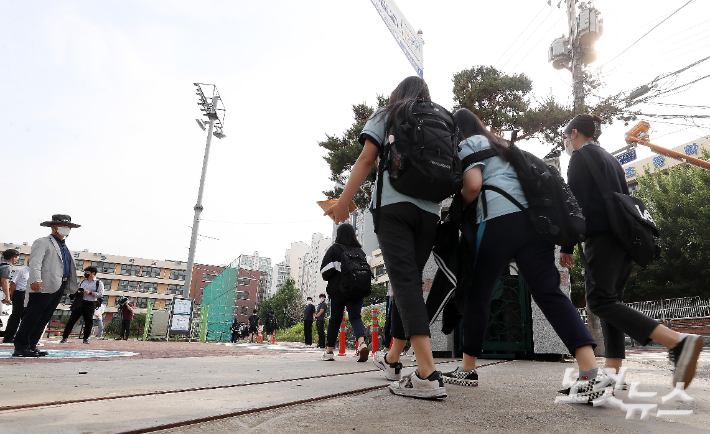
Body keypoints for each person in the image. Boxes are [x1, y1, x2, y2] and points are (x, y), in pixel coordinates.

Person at [441, 109, 605, 399]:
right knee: (549, 294)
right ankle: (591, 373)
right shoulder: (503, 145)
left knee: (477, 292)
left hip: (498, 223)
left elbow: (474, 185)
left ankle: (467, 369)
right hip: (535, 225)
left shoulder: (470, 144)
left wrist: (460, 206)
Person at [560, 113, 703, 389]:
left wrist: (567, 245)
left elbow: (575, 207)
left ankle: (677, 342)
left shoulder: (580, 158)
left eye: (566, 137)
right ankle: (613, 373)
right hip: (625, 237)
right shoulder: (610, 159)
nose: (566, 143)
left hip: (602, 238)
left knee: (601, 301)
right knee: (611, 303)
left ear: (574, 133)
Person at [324, 76, 446, 399]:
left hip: (393, 209)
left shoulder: (389, 113)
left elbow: (366, 159)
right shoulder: (441, 118)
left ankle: (427, 374)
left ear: (398, 94)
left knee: (405, 286)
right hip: (430, 213)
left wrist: (340, 206)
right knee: (409, 285)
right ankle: (393, 360)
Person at [13, 214, 81, 357]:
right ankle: (21, 346)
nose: (67, 229)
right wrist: (35, 279)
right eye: (63, 226)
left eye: (68, 226)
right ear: (53, 226)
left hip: (59, 285)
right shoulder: (43, 242)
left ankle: (31, 345)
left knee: (44, 317)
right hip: (43, 285)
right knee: (33, 315)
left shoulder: (64, 246)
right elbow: (35, 262)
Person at [320, 224, 370, 362]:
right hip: (357, 290)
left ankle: (329, 351)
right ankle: (362, 344)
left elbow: (324, 272)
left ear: (339, 234)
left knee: (335, 319)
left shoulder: (334, 249)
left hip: (338, 291)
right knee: (355, 317)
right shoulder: (360, 252)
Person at [60, 265, 104, 344]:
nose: (86, 274)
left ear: (93, 273)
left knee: (88, 321)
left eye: (87, 272)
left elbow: (101, 294)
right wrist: (79, 292)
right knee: (72, 320)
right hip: (80, 302)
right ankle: (64, 337)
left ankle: (86, 338)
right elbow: (78, 289)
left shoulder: (98, 283)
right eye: (85, 272)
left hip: (90, 303)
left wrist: (91, 293)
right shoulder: (83, 281)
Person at [3, 252, 28, 343]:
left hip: (29, 294)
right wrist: (11, 295)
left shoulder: (36, 272)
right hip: (20, 293)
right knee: (16, 315)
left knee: (27, 316)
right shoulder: (21, 270)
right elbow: (12, 283)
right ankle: (8, 337)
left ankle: (22, 336)